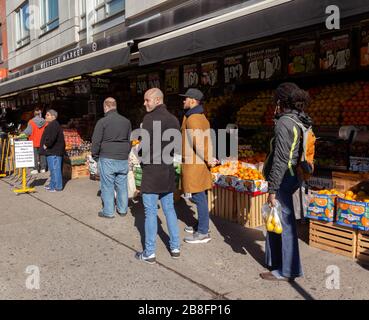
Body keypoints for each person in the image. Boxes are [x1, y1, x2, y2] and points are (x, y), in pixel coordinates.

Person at [260, 82, 313, 282]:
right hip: (293, 175)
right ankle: (275, 261)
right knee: (277, 220)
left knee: (285, 223)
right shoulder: (300, 119)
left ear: (280, 100)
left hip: (284, 176)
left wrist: (272, 189)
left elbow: (281, 159)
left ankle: (287, 270)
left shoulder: (284, 123)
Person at [135, 88, 181, 264]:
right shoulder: (173, 119)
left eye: (147, 100)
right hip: (167, 171)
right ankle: (175, 246)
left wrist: (139, 155)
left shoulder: (149, 119)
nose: (145, 103)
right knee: (169, 209)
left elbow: (144, 148)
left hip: (152, 172)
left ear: (157, 100)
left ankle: (150, 252)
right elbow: (176, 147)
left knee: (150, 212)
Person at [180, 88, 216, 244]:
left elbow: (199, 143)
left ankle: (203, 232)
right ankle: (201, 224)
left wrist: (208, 158)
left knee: (198, 196)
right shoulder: (200, 116)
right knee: (200, 195)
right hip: (198, 162)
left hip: (195, 163)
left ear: (193, 101)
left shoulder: (193, 118)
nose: (183, 101)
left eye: (185, 98)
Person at [91, 97, 132, 218]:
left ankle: (108, 211)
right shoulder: (126, 121)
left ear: (106, 107)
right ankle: (123, 209)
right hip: (123, 158)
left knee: (107, 185)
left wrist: (95, 155)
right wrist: (126, 153)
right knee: (122, 184)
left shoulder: (102, 122)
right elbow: (130, 140)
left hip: (107, 157)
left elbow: (96, 141)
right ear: (115, 106)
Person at [40, 109, 65, 192]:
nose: (45, 116)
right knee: (53, 169)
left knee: (55, 169)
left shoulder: (54, 124)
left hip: (54, 151)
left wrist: (46, 145)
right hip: (52, 151)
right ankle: (52, 185)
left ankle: (57, 186)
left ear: (53, 116)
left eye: (47, 115)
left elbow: (52, 138)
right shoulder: (52, 124)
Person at [23, 108, 47, 174]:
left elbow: (27, 132)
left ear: (34, 114)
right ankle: (43, 168)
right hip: (42, 141)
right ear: (40, 114)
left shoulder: (31, 122)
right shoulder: (45, 122)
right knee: (43, 154)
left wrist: (23, 133)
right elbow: (47, 131)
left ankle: (36, 169)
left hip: (33, 141)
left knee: (34, 155)